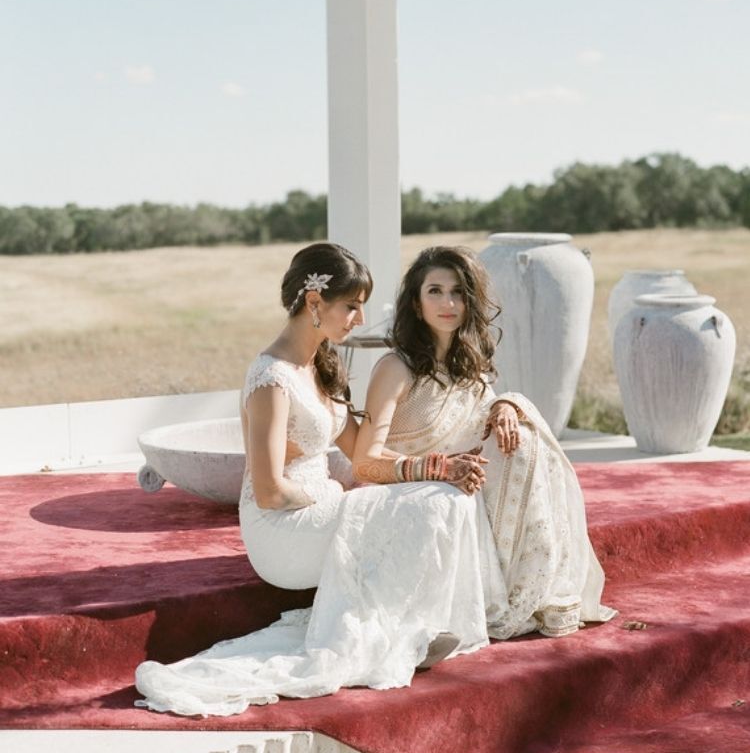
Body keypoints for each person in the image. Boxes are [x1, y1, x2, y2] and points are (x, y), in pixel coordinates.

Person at [134, 242, 612, 718]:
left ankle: (418, 624)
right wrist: (345, 499)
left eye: (362, 306)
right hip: (282, 530)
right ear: (314, 302)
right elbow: (268, 490)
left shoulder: (319, 368)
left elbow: (367, 454)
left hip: (320, 510)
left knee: (446, 498)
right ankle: (401, 630)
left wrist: (463, 438)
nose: (360, 319)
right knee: (430, 500)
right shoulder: (270, 379)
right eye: (351, 306)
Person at [353, 245, 615, 639]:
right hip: (410, 490)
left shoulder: (467, 367)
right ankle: (513, 591)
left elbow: (485, 410)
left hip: (462, 483)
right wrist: (441, 467)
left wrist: (506, 405)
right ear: (415, 301)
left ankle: (528, 589)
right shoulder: (396, 367)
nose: (448, 303)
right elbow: (365, 461)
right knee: (517, 445)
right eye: (435, 291)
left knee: (523, 436)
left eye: (458, 292)